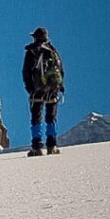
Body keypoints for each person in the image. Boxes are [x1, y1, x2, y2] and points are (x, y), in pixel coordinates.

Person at [22, 27, 64, 156]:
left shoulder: (32, 52)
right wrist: (59, 86)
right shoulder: (53, 51)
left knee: (36, 118)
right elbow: (60, 70)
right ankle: (52, 145)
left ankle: (37, 147)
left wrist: (30, 89)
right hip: (53, 89)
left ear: (34, 37)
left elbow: (26, 72)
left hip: (37, 90)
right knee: (51, 118)